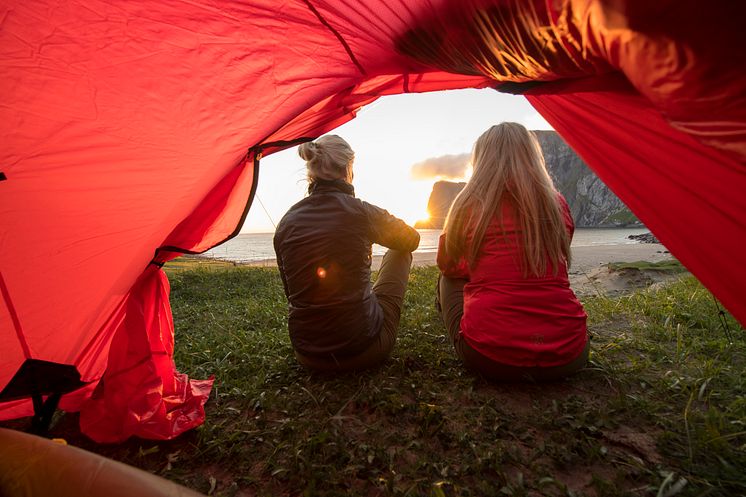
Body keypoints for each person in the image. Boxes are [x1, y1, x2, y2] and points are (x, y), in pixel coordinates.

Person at [436, 123, 588, 382]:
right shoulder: (556, 204)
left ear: (481, 161)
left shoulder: (467, 205)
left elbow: (448, 264)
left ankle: (475, 325)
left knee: (448, 279)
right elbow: (559, 253)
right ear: (531, 156)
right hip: (569, 355)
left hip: (489, 356)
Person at [273, 135, 420, 371]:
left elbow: (291, 294)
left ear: (311, 171)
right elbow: (411, 239)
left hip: (308, 355)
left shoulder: (287, 221)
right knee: (401, 251)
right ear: (348, 169)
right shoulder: (361, 211)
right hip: (363, 349)